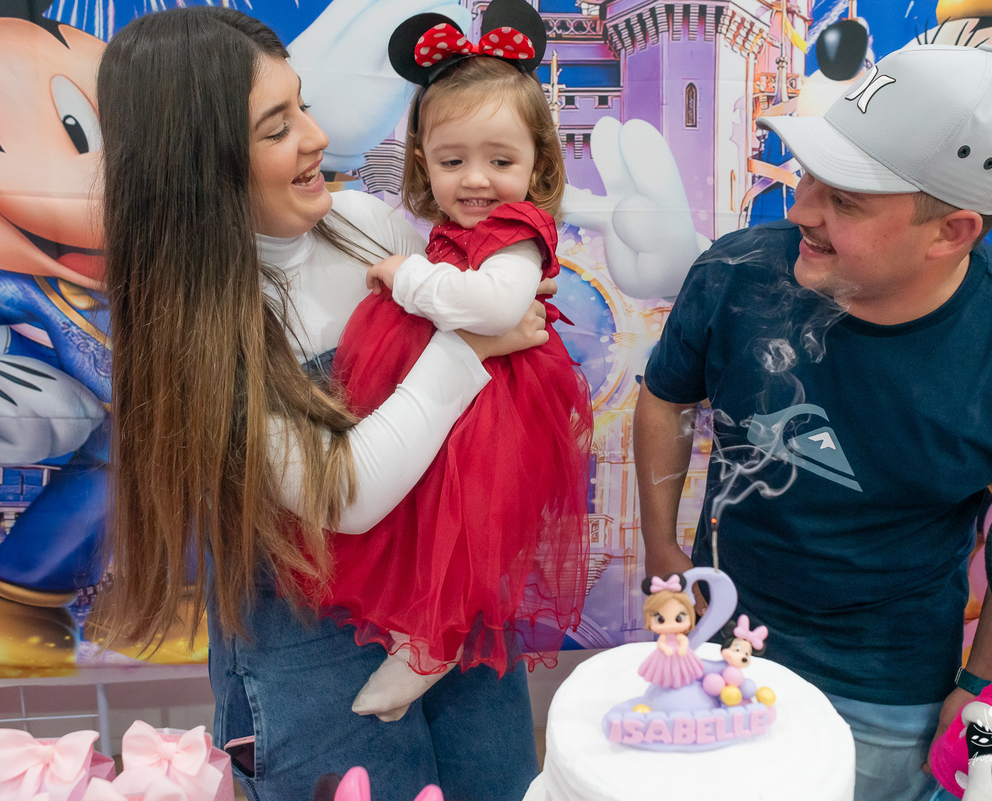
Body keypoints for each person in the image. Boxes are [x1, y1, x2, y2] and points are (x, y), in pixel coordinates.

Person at [95, 7, 550, 800]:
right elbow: (348, 495)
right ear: (199, 164)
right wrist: (468, 346)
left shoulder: (364, 225)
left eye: (301, 104)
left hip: (443, 604)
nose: (314, 135)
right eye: (276, 128)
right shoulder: (188, 329)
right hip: (309, 649)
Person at [634, 43, 992, 801]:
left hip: (887, 691)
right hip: (718, 640)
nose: (801, 210)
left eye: (845, 200)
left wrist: (980, 682)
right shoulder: (735, 275)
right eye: (811, 175)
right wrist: (661, 548)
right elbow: (665, 394)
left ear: (950, 231)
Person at [296, 0, 591, 724]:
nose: (476, 180)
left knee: (466, 527)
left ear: (539, 163)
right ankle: (417, 629)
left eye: (501, 160)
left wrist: (405, 278)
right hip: (460, 388)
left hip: (501, 400)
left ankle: (432, 644)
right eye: (453, 160)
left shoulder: (520, 233)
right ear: (423, 158)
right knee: (424, 522)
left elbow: (493, 310)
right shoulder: (446, 228)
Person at [638, 574, 702, 689]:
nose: (671, 625)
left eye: (679, 619)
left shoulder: (679, 637)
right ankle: (666, 686)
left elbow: (683, 641)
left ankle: (682, 685)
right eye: (660, 620)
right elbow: (661, 643)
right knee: (663, 671)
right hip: (665, 656)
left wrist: (683, 648)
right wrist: (665, 648)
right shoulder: (664, 637)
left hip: (680, 655)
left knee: (683, 671)